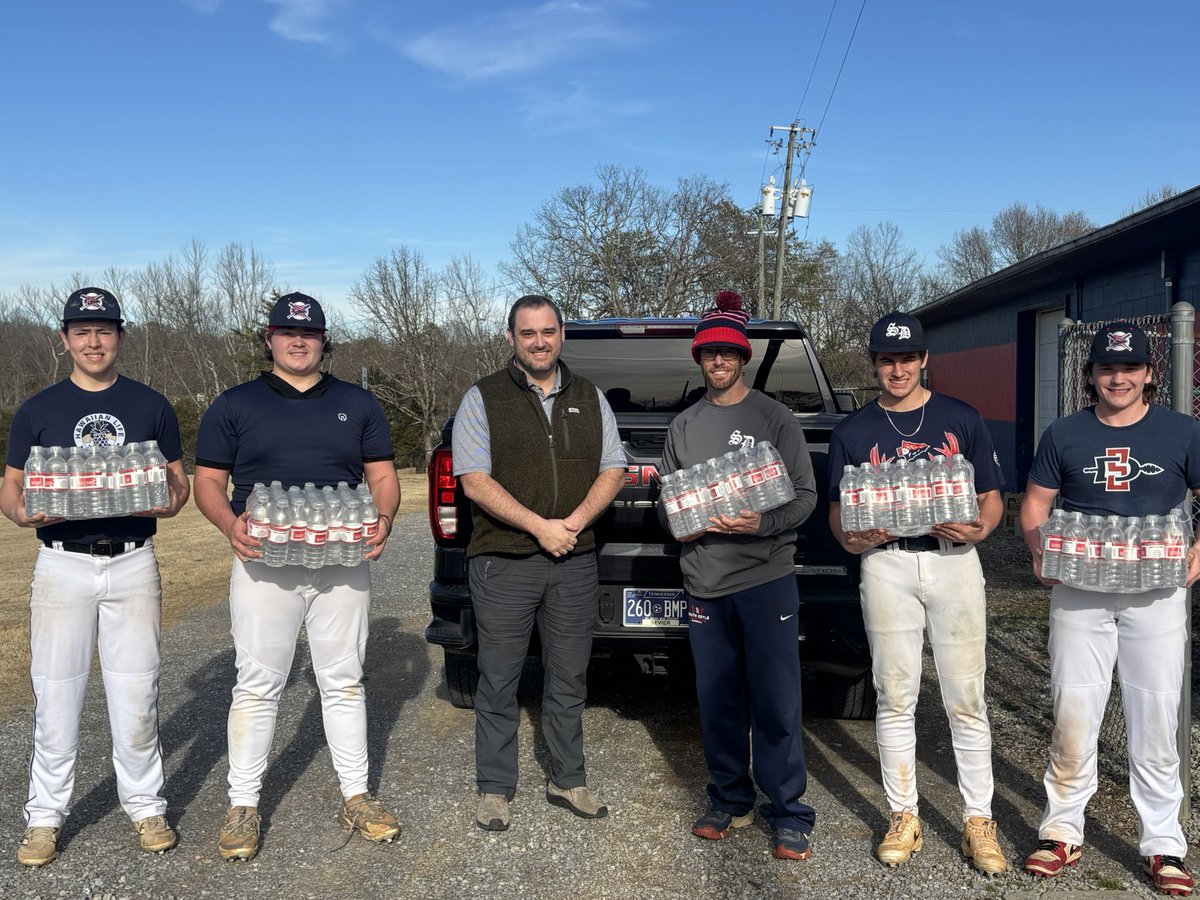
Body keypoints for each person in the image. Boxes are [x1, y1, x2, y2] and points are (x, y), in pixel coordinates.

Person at [193, 292, 401, 861]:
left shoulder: (357, 403)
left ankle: (356, 795)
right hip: (264, 561)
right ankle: (242, 804)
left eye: (308, 333)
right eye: (286, 331)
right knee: (258, 682)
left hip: (341, 558)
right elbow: (208, 482)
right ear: (269, 338)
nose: (297, 340)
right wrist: (228, 526)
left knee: (343, 679)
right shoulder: (235, 404)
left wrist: (383, 520)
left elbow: (382, 477)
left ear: (324, 339)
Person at [0, 287, 190, 867]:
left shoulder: (151, 404)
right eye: (81, 331)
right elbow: (11, 487)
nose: (93, 341)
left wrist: (170, 500)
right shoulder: (38, 409)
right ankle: (45, 818)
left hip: (133, 560)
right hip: (62, 562)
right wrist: (22, 512)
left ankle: (146, 805)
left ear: (120, 337)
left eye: (104, 330)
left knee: (136, 689)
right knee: (57, 693)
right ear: (64, 340)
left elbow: (177, 482)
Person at [1019, 321, 1199, 896]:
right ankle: (1062, 829)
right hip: (1081, 589)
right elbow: (1036, 505)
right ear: (1090, 374)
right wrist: (1038, 552)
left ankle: (1164, 843)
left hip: (1157, 590)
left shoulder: (1182, 431)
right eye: (1106, 368)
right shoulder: (1065, 433)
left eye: (1129, 368)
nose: (1117, 378)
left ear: (1150, 374)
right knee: (1074, 709)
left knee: (1155, 714)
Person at [827, 311, 1007, 874]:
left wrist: (981, 528)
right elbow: (839, 512)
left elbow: (992, 496)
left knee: (966, 696)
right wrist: (855, 540)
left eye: (907, 358)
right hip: (887, 563)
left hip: (954, 561)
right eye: (886, 359)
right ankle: (903, 813)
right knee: (894, 693)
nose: (897, 368)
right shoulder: (854, 430)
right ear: (874, 364)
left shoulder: (961, 417)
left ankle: (979, 819)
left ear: (925, 359)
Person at [451, 294, 625, 832]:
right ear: (511, 338)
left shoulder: (591, 397)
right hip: (504, 561)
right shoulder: (482, 398)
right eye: (528, 333)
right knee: (499, 677)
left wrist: (572, 524)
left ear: (562, 334)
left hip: (574, 559)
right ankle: (496, 788)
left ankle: (568, 779)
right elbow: (474, 479)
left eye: (548, 330)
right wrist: (538, 526)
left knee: (568, 677)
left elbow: (613, 467)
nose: (539, 341)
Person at [657, 290, 818, 862]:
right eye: (709, 353)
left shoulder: (774, 418)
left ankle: (789, 810)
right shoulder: (684, 424)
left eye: (728, 353)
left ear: (743, 357)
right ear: (699, 359)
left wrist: (761, 521)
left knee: (776, 700)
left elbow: (804, 497)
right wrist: (676, 524)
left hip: (765, 578)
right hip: (704, 582)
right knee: (718, 698)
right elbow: (669, 500)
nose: (718, 361)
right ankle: (729, 797)